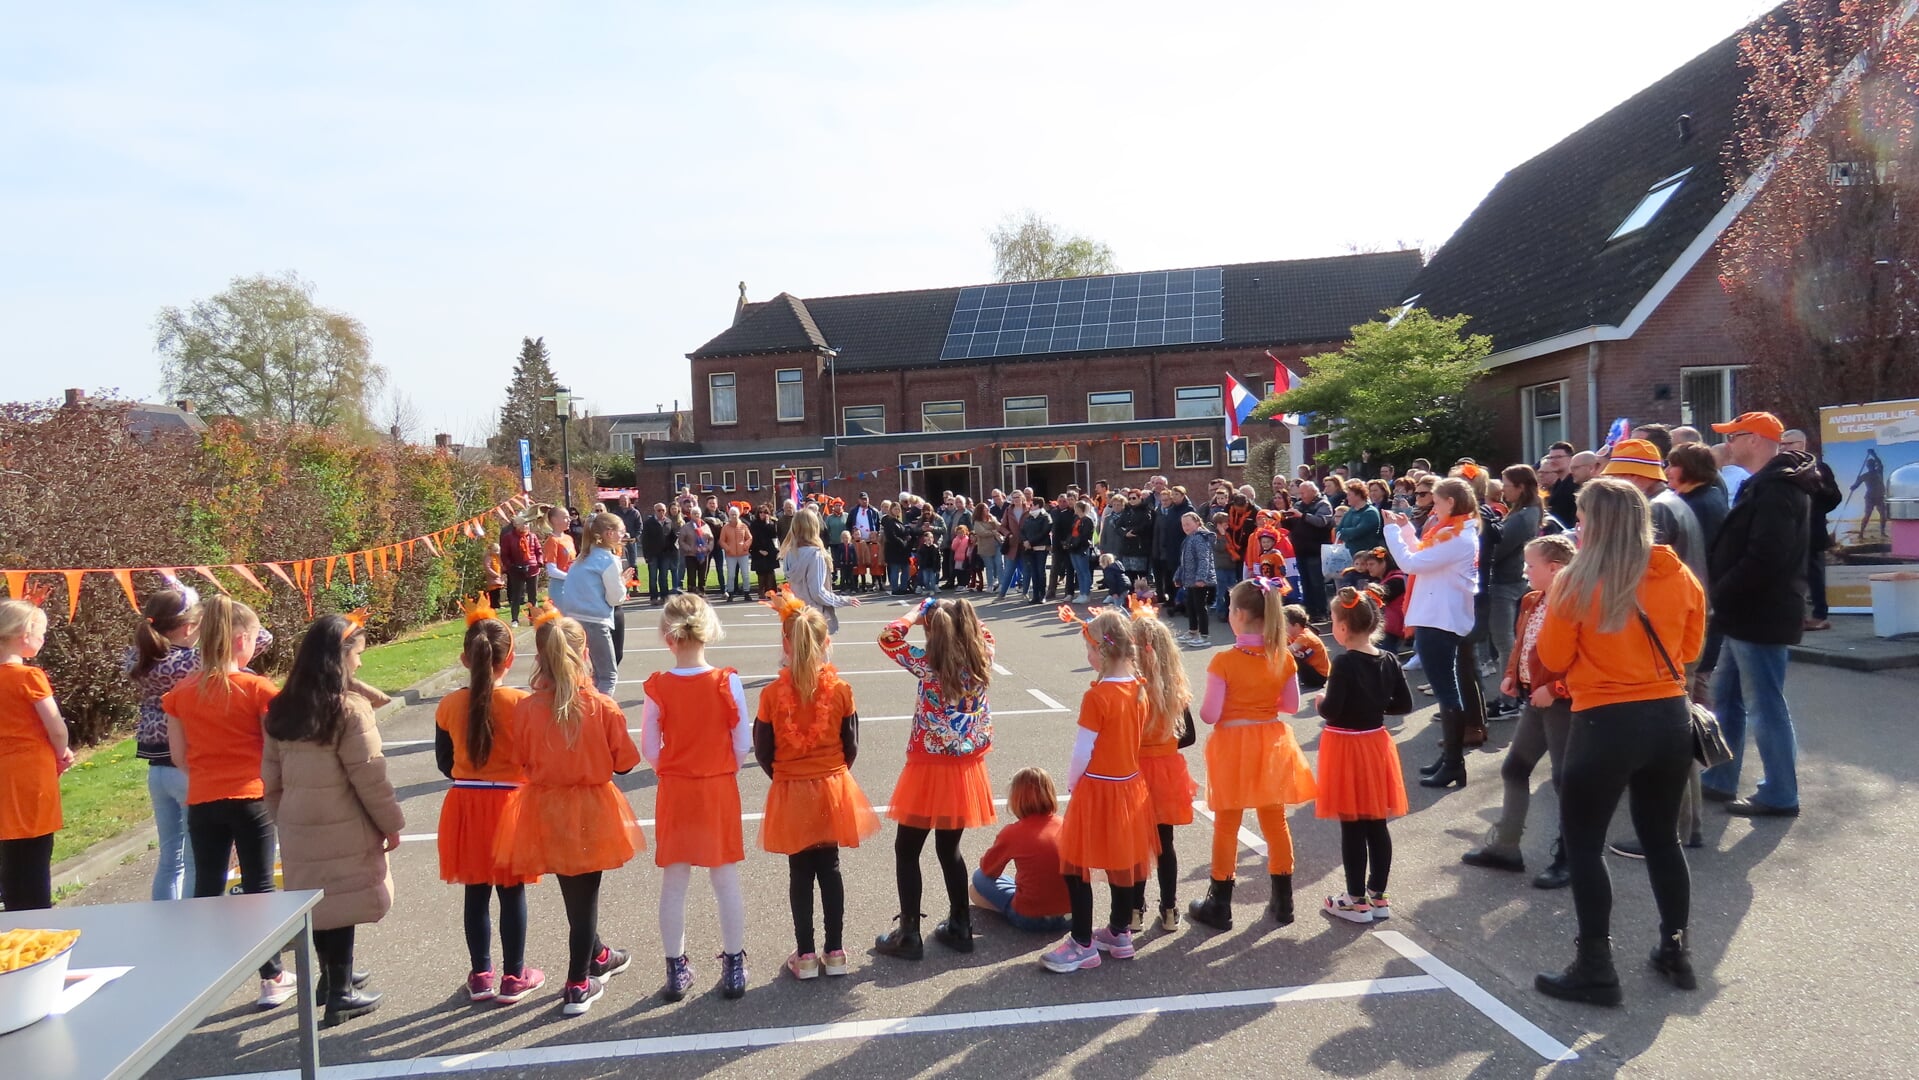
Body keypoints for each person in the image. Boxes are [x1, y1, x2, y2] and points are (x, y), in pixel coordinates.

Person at [1534, 478, 1705, 1006]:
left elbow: (1555, 657)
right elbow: (1693, 643)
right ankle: (1675, 948)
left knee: (1584, 844)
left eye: (1582, 517)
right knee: (1662, 839)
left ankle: (1595, 965)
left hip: (1605, 719)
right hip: (1668, 716)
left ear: (1597, 522)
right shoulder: (1677, 573)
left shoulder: (1575, 582)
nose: (1577, 525)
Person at [493, 613, 643, 1016]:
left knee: (572, 889)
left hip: (545, 805)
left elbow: (519, 759)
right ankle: (578, 981)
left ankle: (597, 954)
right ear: (584, 653)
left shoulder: (527, 708)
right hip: (590, 806)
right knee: (585, 894)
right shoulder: (600, 706)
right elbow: (626, 761)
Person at [262, 613, 405, 1027]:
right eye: (357, 655)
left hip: (297, 822)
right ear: (339, 656)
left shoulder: (282, 709)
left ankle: (331, 977)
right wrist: (390, 823)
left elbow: (269, 778)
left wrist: (285, 818)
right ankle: (341, 993)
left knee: (320, 903)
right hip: (343, 820)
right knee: (343, 901)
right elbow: (370, 776)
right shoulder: (347, 712)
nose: (360, 664)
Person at [162, 596, 296, 1007]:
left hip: (202, 798)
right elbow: (275, 746)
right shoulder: (257, 689)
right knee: (258, 885)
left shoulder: (180, 693)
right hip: (251, 795)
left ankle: (204, 973)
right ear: (241, 640)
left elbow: (179, 756)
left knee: (207, 884)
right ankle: (271, 975)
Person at [1702, 412, 1819, 817]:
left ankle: (1781, 793)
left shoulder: (1776, 488)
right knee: (1728, 698)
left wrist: (1721, 591)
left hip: (1758, 614)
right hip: (1747, 613)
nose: (1727, 444)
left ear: (1753, 440)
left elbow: (1766, 556)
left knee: (1764, 705)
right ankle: (1720, 778)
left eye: (1733, 436)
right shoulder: (1772, 483)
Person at [754, 604, 878, 981]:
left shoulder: (773, 694)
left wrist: (785, 776)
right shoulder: (841, 689)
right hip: (832, 787)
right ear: (827, 643)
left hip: (792, 788)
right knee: (831, 867)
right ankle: (836, 951)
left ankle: (805, 954)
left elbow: (763, 748)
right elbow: (851, 742)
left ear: (785, 644)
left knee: (800, 872)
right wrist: (834, 774)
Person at [1187, 578, 1317, 931]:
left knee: (1227, 822)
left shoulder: (1225, 660)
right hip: (1270, 740)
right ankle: (1284, 899)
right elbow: (1290, 705)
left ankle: (1220, 902)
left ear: (1241, 614)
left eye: (1230, 608)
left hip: (1232, 742)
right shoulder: (1283, 657)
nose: (1228, 614)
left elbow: (1209, 715)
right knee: (1274, 819)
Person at [641, 593, 752, 1001]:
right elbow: (742, 741)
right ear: (708, 631)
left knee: (674, 882)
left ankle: (675, 968)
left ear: (669, 637)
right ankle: (735, 964)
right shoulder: (727, 680)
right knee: (725, 879)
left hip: (676, 788)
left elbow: (650, 747)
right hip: (717, 785)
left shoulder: (658, 687)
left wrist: (670, 769)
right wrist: (723, 767)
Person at [875, 597, 997, 960]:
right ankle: (961, 924)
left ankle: (909, 933)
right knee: (949, 849)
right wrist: (959, 613)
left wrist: (917, 612)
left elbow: (888, 637)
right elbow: (985, 633)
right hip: (964, 769)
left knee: (907, 849)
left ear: (932, 631)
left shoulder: (928, 664)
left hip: (929, 766)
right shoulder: (983, 656)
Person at [433, 606, 542, 1006]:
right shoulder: (522, 702)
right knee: (511, 893)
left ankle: (481, 975)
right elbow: (533, 757)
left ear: (465, 659)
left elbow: (445, 764)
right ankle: (515, 975)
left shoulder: (448, 705)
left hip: (466, 802)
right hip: (510, 803)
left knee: (475, 893)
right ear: (509, 660)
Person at [1041, 610, 1160, 973]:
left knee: (1076, 863)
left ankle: (1081, 943)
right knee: (1122, 861)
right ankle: (1120, 932)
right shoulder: (1139, 687)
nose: (1088, 656)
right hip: (1129, 785)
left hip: (1098, 785)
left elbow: (1083, 749)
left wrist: (1073, 781)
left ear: (1103, 652)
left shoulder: (1097, 696)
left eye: (1090, 649)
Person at [1462, 535, 1577, 888]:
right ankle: (1507, 846)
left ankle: (1570, 857)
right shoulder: (1532, 600)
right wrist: (1512, 674)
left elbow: (1586, 662)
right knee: (1515, 768)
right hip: (1535, 699)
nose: (1525, 571)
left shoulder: (1574, 603)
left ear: (1555, 569)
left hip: (1563, 704)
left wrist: (1555, 689)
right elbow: (1521, 645)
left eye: (1531, 565)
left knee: (1565, 780)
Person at [1313, 587, 1412, 924]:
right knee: (1376, 824)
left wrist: (1320, 701)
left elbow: (1332, 711)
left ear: (1342, 627)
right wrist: (1375, 704)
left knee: (1352, 825)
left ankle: (1354, 900)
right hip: (1375, 743)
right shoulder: (1389, 659)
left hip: (1346, 746)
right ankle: (1378, 896)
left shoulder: (1343, 662)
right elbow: (1403, 705)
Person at [122, 583, 226, 901]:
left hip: (157, 769)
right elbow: (258, 640)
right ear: (190, 626)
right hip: (185, 763)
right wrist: (216, 612)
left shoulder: (137, 657)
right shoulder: (190, 662)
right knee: (198, 857)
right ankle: (194, 925)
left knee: (171, 860)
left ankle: (166, 926)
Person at [1382, 478, 1482, 790]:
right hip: (1437, 615)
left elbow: (1411, 563)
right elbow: (1423, 554)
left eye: (1436, 502)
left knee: (1446, 691)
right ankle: (1450, 760)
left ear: (1451, 503)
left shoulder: (1459, 538)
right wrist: (1407, 530)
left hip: (1440, 618)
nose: (1432, 507)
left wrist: (1391, 531)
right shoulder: (1451, 531)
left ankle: (1454, 764)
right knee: (1446, 690)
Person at [0, 599, 72, 913]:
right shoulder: (30, 677)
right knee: (36, 848)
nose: (44, 640)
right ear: (23, 634)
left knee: (10, 848)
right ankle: (37, 911)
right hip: (31, 770)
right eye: (40, 633)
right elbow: (55, 726)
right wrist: (63, 751)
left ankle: (13, 909)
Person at [1128, 609, 1198, 931]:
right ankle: (1169, 909)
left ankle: (1134, 910)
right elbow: (1190, 736)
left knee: (1137, 846)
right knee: (1165, 844)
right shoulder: (1175, 689)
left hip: (1136, 771)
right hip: (1169, 771)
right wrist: (1164, 748)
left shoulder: (1132, 690)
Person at [970, 768, 1072, 935]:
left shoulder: (1013, 833)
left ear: (1016, 799)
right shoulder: (1065, 825)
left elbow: (988, 869)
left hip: (1032, 919)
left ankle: (1012, 913)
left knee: (977, 881)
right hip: (1071, 915)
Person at [1486, 465, 1544, 718]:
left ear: (1520, 487)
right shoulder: (1524, 512)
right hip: (1511, 580)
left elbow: (1498, 549)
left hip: (1506, 583)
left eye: (1507, 486)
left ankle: (1510, 699)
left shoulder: (1523, 517)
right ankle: (1511, 694)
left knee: (1505, 641)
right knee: (1509, 640)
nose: (1503, 490)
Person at [550, 512, 628, 696]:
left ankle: (587, 709)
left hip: (574, 619)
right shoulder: (608, 559)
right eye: (621, 532)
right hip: (595, 621)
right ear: (609, 533)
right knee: (608, 675)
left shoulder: (582, 558)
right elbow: (615, 599)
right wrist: (622, 584)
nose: (623, 536)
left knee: (589, 673)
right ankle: (599, 715)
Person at [1780, 429, 1842, 631]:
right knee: (1789, 576)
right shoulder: (1779, 469)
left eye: (1789, 444)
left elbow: (1834, 497)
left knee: (1814, 573)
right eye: (1782, 444)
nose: (1784, 448)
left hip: (1812, 529)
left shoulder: (1819, 468)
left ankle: (1819, 615)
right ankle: (1795, 615)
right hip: (1787, 530)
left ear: (1802, 444)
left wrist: (1817, 504)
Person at [781, 508, 862, 632]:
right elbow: (817, 592)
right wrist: (843, 600)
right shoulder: (815, 554)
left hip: (795, 614)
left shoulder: (788, 553)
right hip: (813, 616)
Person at [1285, 482, 1335, 622]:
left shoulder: (1323, 504)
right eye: (1300, 493)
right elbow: (1293, 523)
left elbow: (1321, 522)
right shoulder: (1299, 504)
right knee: (1305, 583)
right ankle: (1309, 612)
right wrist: (1284, 518)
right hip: (1301, 550)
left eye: (1304, 493)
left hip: (1315, 551)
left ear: (1313, 492)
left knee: (1316, 583)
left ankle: (1321, 611)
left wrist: (1301, 515)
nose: (1301, 496)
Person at [1176, 511, 1218, 645]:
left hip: (1198, 580)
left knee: (1200, 606)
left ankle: (1204, 635)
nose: (1185, 527)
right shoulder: (1189, 538)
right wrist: (1178, 576)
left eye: (1188, 524)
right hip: (1189, 579)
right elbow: (1184, 561)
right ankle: (1192, 630)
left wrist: (1201, 578)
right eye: (1183, 525)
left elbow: (1203, 559)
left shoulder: (1200, 538)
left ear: (1197, 523)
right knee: (1191, 606)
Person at [1153, 485, 1196, 610]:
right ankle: (1171, 599)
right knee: (1171, 575)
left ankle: (1183, 602)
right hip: (1170, 548)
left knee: (1183, 576)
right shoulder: (1171, 510)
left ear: (1183, 495)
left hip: (1183, 546)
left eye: (1177, 495)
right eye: (1173, 495)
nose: (1174, 497)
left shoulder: (1188, 510)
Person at [500, 512, 543, 624]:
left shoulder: (532, 536)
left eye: (527, 524)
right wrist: (510, 566)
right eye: (523, 524)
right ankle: (515, 619)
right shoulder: (508, 537)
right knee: (516, 595)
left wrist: (539, 562)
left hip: (532, 568)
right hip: (516, 569)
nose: (526, 526)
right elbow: (505, 554)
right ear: (516, 525)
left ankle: (532, 618)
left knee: (532, 595)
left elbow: (538, 551)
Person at [1018, 493, 1055, 605]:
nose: (1030, 506)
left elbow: (1044, 532)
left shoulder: (1045, 517)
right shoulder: (1029, 517)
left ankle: (1042, 595)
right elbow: (1022, 531)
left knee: (1040, 571)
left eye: (1032, 504)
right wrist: (1025, 541)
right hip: (1029, 549)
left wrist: (1031, 541)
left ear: (1038, 505)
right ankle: (1035, 596)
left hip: (1041, 547)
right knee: (1033, 572)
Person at [1284, 604, 1331, 691]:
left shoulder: (1305, 637)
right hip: (1310, 670)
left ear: (1296, 626)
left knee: (1289, 655)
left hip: (1319, 676)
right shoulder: (1294, 634)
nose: (1283, 627)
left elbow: (1288, 651)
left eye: (1285, 624)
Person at [1335, 479, 1385, 556]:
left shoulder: (1370, 512)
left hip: (1365, 556)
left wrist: (1344, 531)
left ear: (1358, 495)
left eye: (1349, 495)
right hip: (1348, 555)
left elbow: (1358, 531)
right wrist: (1345, 532)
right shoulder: (1350, 511)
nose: (1347, 498)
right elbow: (1338, 530)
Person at [641, 503, 674, 605]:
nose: (661, 512)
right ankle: (654, 597)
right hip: (652, 554)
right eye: (659, 510)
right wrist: (646, 555)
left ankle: (664, 597)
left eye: (663, 510)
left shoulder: (669, 522)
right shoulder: (648, 523)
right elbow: (645, 540)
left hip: (665, 554)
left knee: (664, 577)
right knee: (653, 577)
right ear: (655, 511)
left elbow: (672, 539)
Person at [748, 504, 780, 597]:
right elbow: (752, 539)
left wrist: (767, 523)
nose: (762, 514)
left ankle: (771, 592)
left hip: (770, 551)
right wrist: (759, 550)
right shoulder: (754, 524)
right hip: (758, 551)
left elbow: (773, 535)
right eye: (761, 512)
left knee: (770, 572)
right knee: (761, 572)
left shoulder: (772, 523)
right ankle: (761, 592)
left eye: (765, 512)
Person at [1544, 441, 1578, 523]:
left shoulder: (1575, 484)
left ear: (1571, 458)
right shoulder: (1556, 484)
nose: (1553, 461)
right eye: (1551, 457)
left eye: (1558, 457)